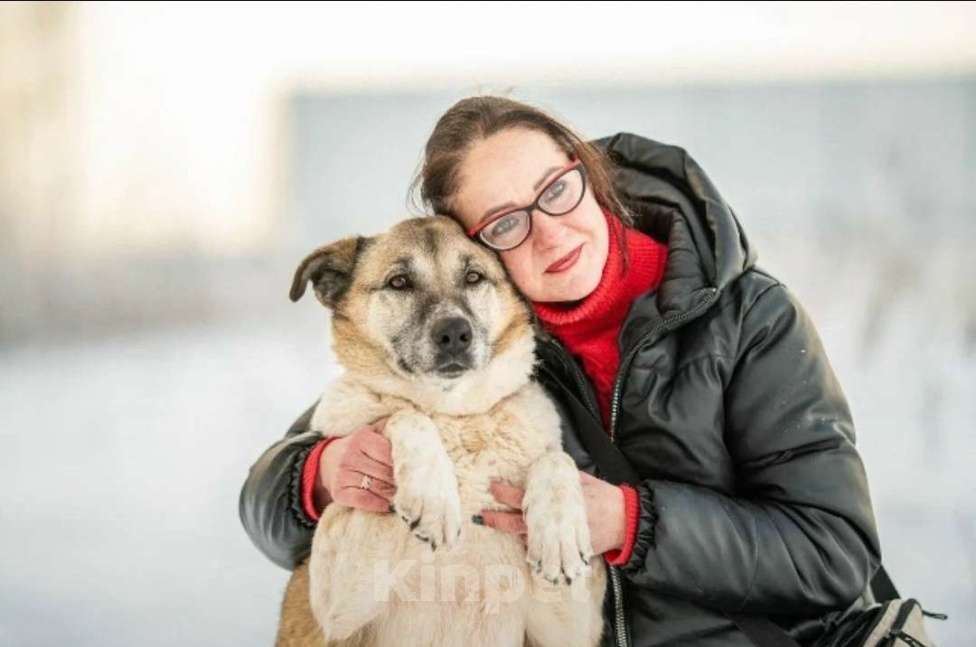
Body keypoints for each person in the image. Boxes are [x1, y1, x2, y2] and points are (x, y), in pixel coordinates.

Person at [239, 96, 882, 647]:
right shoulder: (486, 349)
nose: (548, 233)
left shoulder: (749, 319)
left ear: (588, 172)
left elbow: (835, 553)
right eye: (507, 222)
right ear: (476, 244)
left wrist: (631, 522)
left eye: (555, 189)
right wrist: (318, 476)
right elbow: (269, 502)